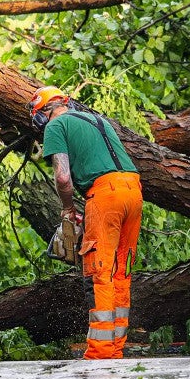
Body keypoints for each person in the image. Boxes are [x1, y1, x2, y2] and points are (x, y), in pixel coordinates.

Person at [29, 86, 142, 360]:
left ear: (43, 113)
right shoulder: (98, 119)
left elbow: (63, 178)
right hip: (134, 190)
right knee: (121, 271)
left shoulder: (55, 126)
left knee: (99, 271)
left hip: (105, 195)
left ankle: (100, 353)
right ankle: (115, 348)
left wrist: (68, 208)